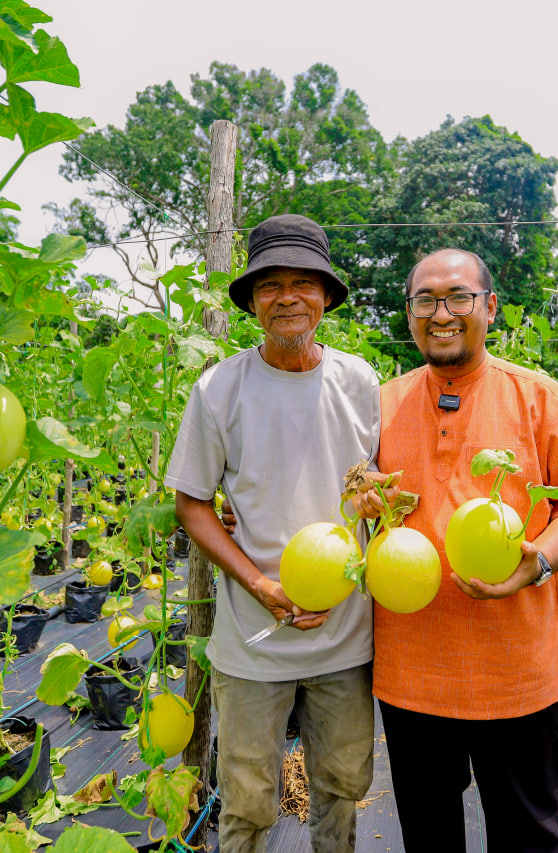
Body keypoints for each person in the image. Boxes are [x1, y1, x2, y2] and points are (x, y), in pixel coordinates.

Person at [353, 248, 558, 853]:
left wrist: (538, 562)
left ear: (489, 307)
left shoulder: (540, 398)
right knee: (429, 838)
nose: (441, 313)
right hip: (411, 673)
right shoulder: (381, 404)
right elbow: (349, 490)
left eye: (458, 297)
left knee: (527, 837)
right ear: (410, 314)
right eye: (425, 300)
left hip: (514, 673)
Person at [164, 214, 378, 853]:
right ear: (254, 301)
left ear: (325, 298)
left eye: (304, 283)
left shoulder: (361, 382)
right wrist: (258, 583)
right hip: (253, 638)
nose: (288, 297)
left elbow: (382, 488)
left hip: (346, 635)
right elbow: (193, 503)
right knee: (248, 799)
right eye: (271, 285)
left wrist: (377, 501)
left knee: (341, 787)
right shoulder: (219, 388)